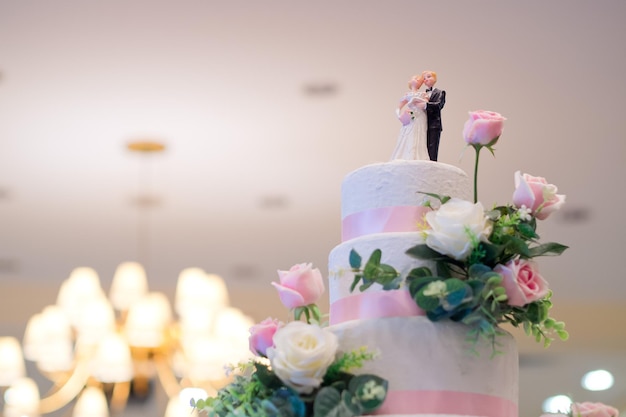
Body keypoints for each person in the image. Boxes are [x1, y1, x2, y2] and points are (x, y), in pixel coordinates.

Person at [390, 74, 429, 161]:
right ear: (410, 81)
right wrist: (399, 116)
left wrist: (414, 100)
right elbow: (398, 107)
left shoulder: (423, 94)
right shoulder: (407, 94)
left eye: (419, 80)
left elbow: (426, 103)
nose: (417, 80)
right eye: (415, 78)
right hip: (410, 116)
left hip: (420, 116)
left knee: (419, 134)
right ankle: (407, 156)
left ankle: (418, 156)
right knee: (408, 133)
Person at [421, 70, 446, 161]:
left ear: (435, 79)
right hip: (424, 124)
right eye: (424, 78)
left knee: (433, 147)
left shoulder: (440, 92)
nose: (426, 79)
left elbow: (439, 105)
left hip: (434, 124)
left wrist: (426, 105)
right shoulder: (422, 94)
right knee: (424, 146)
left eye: (428, 77)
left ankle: (432, 165)